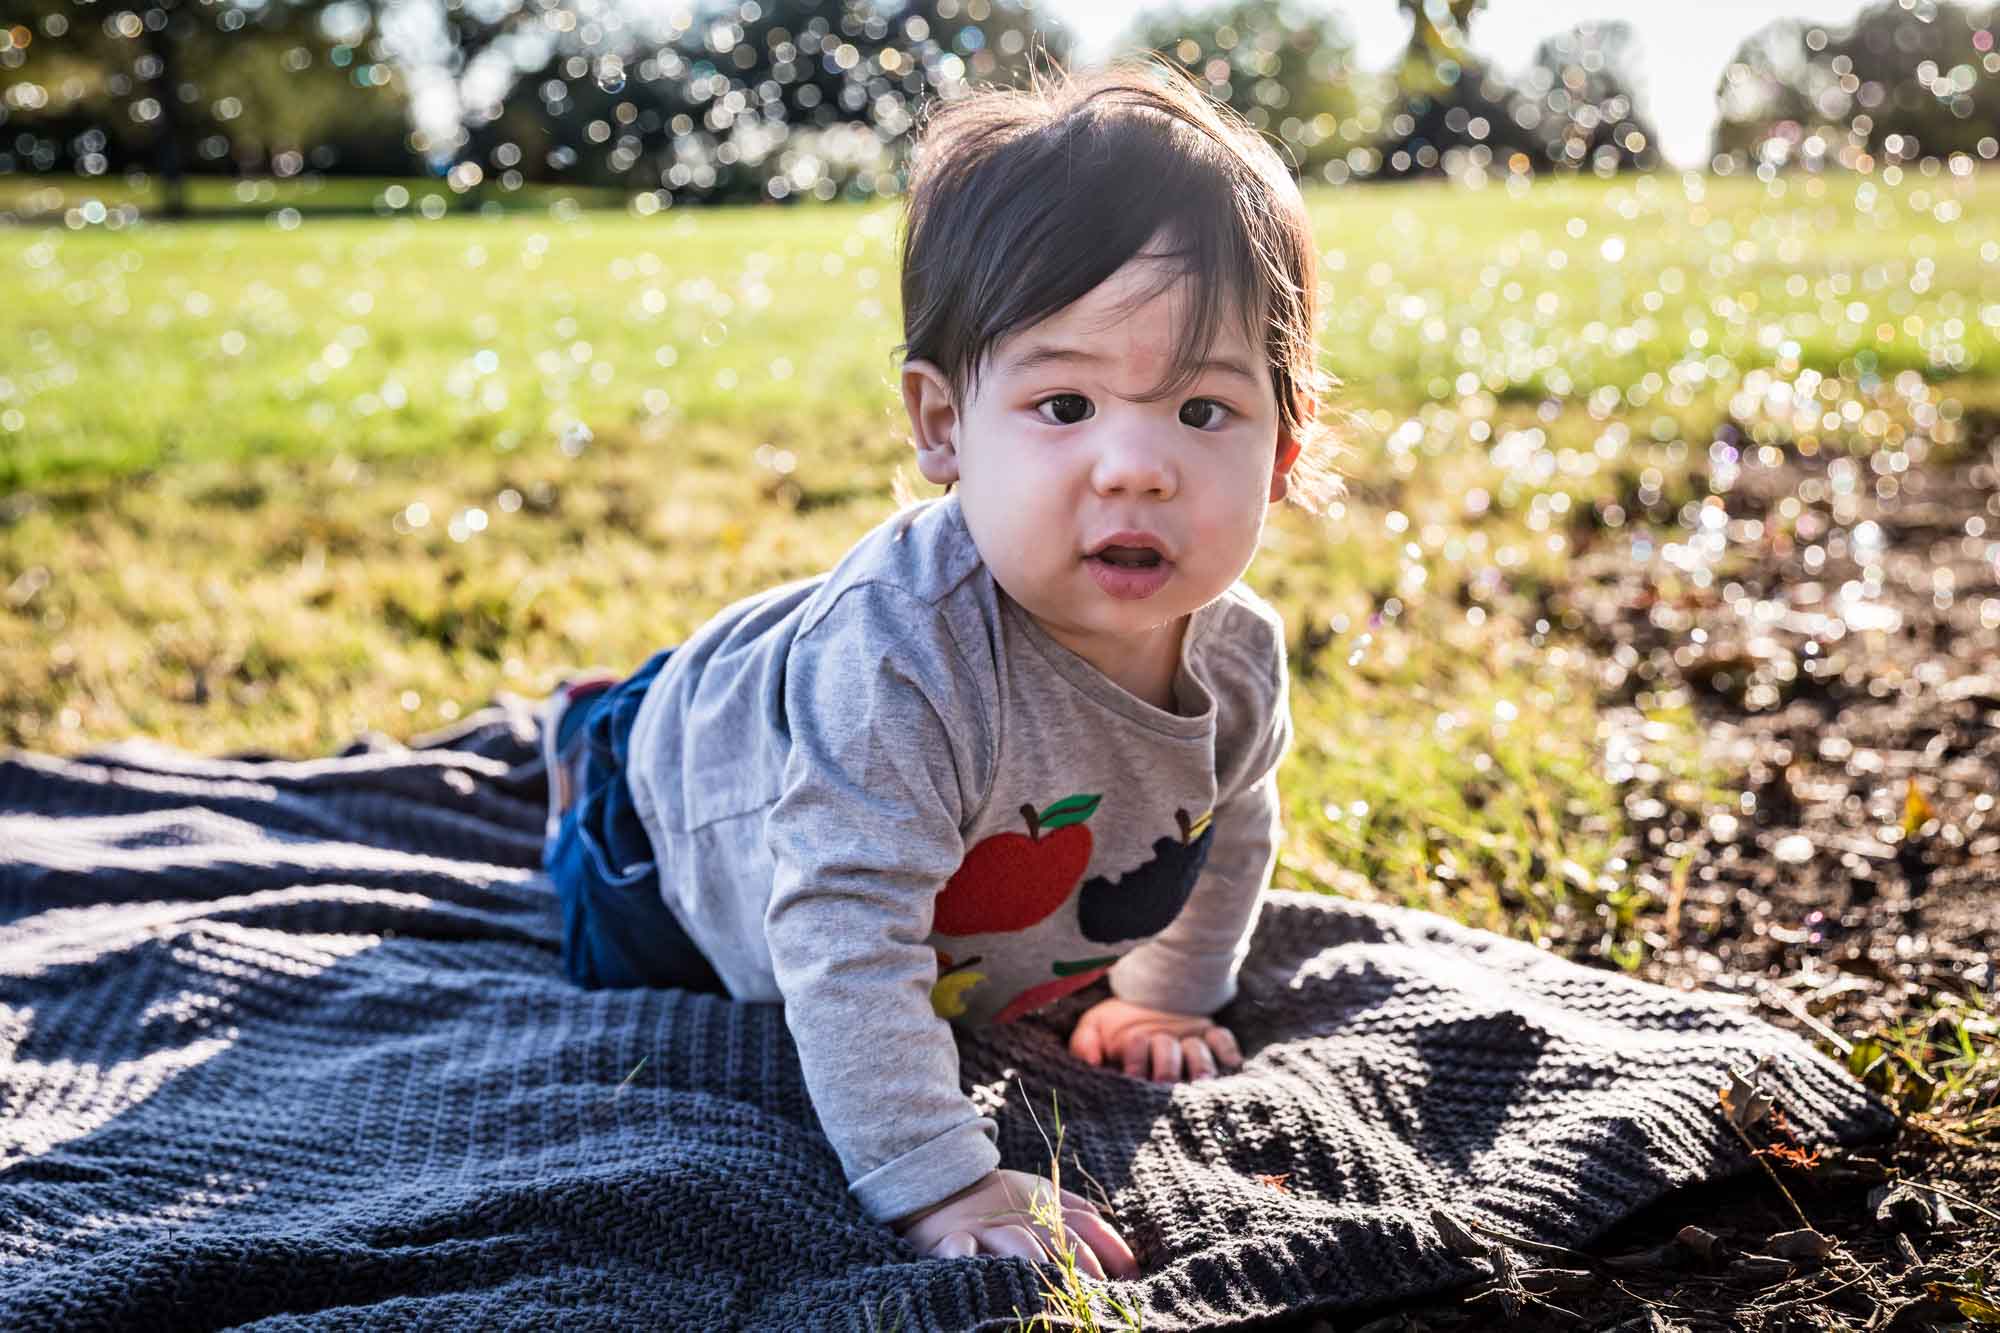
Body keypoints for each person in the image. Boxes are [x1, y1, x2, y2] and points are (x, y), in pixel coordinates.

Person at [540, 59, 1342, 1281]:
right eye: (1065, 402)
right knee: (607, 922)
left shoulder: (1235, 660)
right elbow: (845, 932)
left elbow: (1229, 821)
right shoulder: (904, 664)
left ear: (1282, 448)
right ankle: (588, 732)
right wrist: (941, 1179)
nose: (1135, 465)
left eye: (1200, 410)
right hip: (678, 831)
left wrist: (1174, 993)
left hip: (810, 701)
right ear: (939, 425)